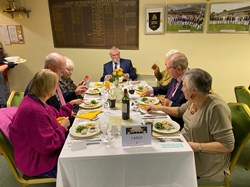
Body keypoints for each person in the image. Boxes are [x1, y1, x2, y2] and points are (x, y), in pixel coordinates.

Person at [146, 68, 235, 181]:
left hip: (204, 159)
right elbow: (179, 111)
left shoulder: (216, 108)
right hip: (184, 145)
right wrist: (157, 108)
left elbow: (228, 145)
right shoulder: (194, 99)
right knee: (154, 150)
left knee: (159, 166)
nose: (182, 89)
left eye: (183, 86)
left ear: (194, 90)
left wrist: (197, 146)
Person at [11, 69, 83, 177]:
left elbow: (55, 116)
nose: (58, 87)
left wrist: (69, 105)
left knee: (82, 145)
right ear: (49, 88)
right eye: (56, 84)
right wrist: (62, 128)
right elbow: (47, 146)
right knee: (81, 165)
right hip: (38, 162)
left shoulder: (36, 100)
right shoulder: (34, 110)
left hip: (42, 153)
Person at [142, 52, 189, 128]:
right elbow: (167, 88)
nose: (166, 70)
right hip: (165, 113)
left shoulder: (189, 81)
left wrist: (169, 103)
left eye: (168, 68)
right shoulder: (176, 76)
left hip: (176, 122)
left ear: (179, 69)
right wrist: (151, 90)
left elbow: (186, 109)